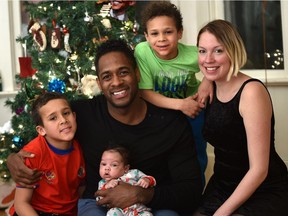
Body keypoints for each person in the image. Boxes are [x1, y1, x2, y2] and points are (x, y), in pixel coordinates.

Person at [7, 39, 203, 216]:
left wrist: (142, 194)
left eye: (123, 72)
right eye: (107, 77)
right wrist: (13, 158)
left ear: (137, 73)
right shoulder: (79, 115)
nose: (116, 82)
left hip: (154, 204)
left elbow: (191, 191)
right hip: (97, 204)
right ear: (100, 83)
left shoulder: (170, 123)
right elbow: (42, 133)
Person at [193, 19, 288, 216]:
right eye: (202, 51)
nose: (208, 59)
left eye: (218, 51)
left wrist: (221, 213)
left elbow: (259, 170)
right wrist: (206, 80)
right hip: (223, 186)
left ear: (233, 51)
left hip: (263, 189)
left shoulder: (251, 92)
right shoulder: (211, 85)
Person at [134, 1, 212, 185]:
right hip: (161, 109)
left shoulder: (193, 55)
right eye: (154, 33)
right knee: (161, 153)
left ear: (179, 33)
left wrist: (207, 82)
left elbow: (220, 60)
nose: (161, 39)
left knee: (196, 153)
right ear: (146, 35)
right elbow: (145, 92)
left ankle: (196, 191)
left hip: (193, 108)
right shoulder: (142, 52)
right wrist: (180, 104)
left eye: (168, 32)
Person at [9, 92, 86, 216]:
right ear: (41, 130)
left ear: (74, 116)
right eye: (53, 118)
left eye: (66, 113)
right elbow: (21, 204)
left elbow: (80, 188)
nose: (63, 120)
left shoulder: (79, 147)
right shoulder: (33, 153)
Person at [97, 146, 156, 216]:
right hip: (119, 211)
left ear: (126, 168)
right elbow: (100, 201)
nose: (107, 168)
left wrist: (147, 180)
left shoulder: (133, 173)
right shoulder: (102, 183)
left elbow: (152, 180)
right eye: (103, 164)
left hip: (139, 210)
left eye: (114, 165)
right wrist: (106, 187)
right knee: (112, 213)